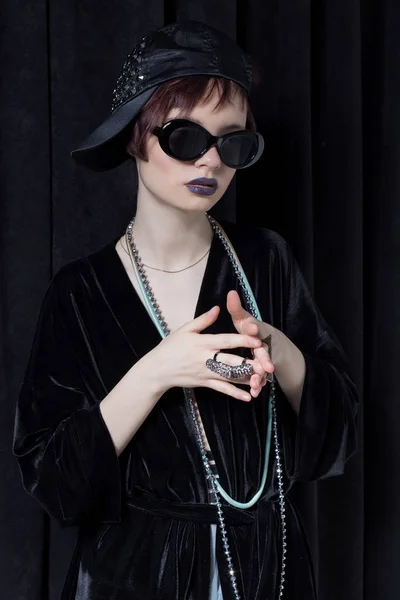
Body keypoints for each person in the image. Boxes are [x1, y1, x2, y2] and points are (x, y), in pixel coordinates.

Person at [12, 20, 359, 600]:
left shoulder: (263, 261)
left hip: (267, 569)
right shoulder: (79, 292)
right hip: (133, 576)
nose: (211, 162)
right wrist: (158, 371)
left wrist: (280, 350)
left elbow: (342, 428)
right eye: (185, 138)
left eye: (233, 142)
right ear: (134, 137)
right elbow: (53, 482)